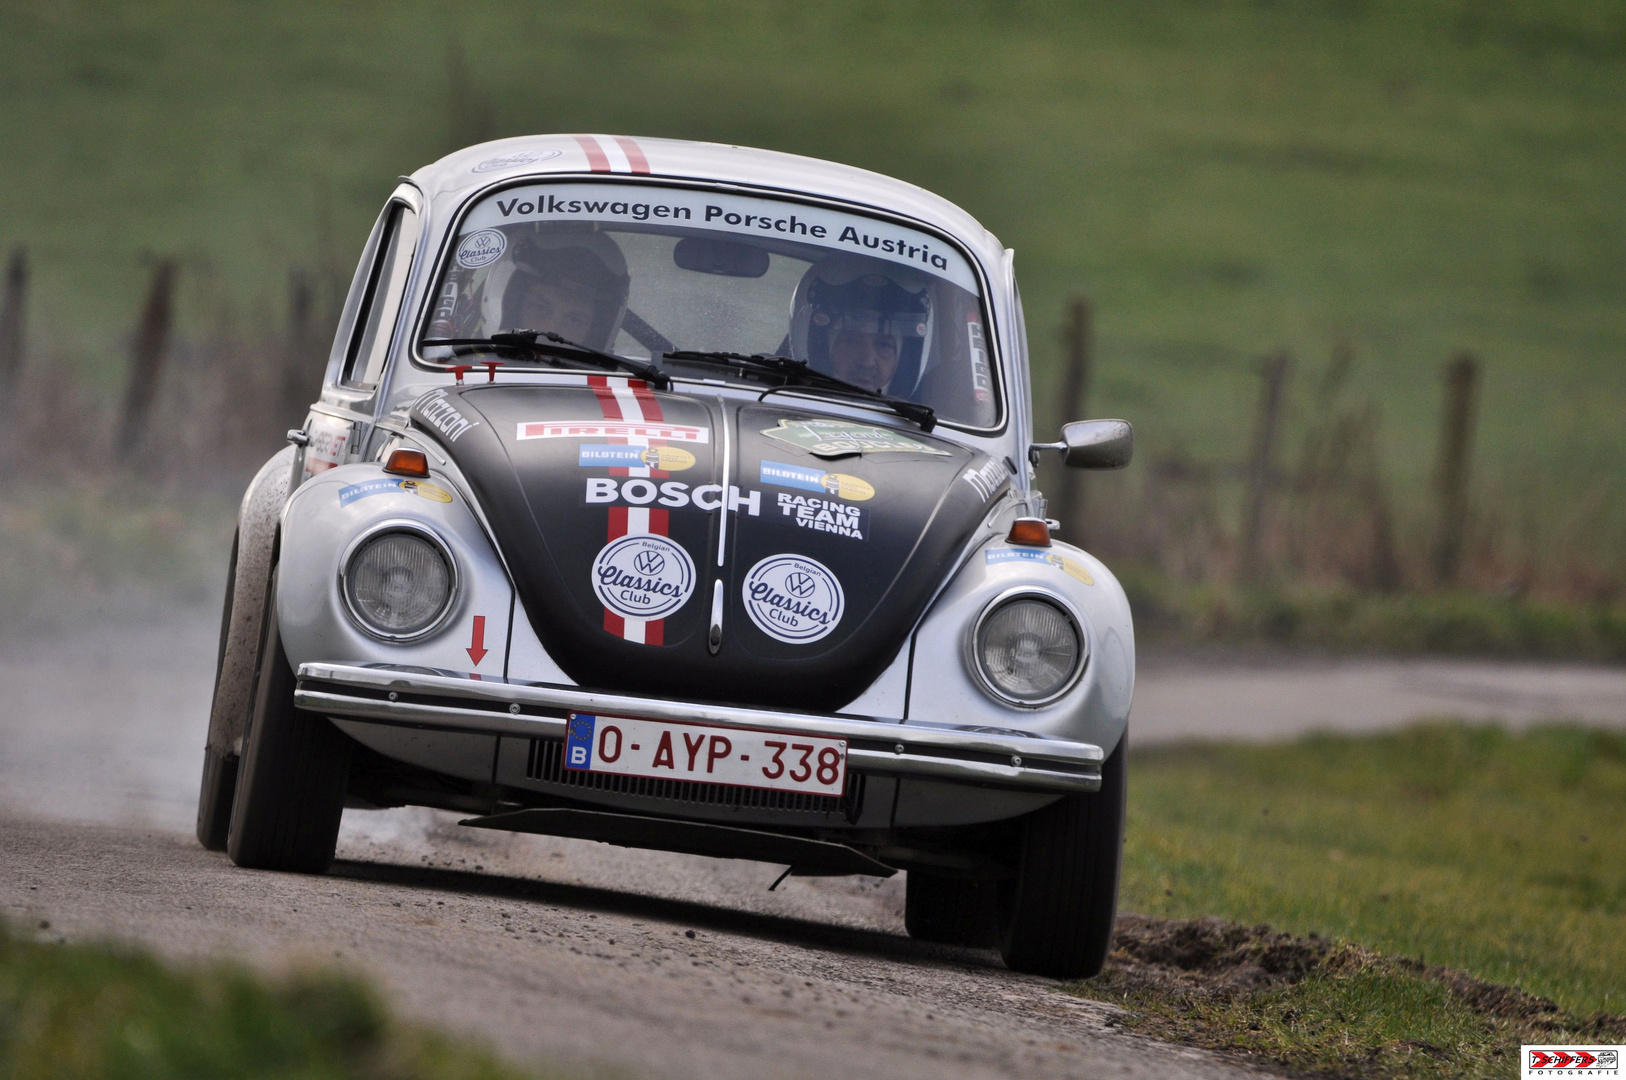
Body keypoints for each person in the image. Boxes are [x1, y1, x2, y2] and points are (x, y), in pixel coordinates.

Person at [788, 254, 931, 394]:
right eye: (851, 341)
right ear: (819, 346)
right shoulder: (775, 397)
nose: (867, 361)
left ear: (904, 357)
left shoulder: (933, 414)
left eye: (884, 345)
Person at [480, 226, 631, 351]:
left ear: (596, 331)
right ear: (512, 305)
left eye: (574, 320)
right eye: (540, 308)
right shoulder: (460, 369)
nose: (551, 330)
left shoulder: (618, 386)